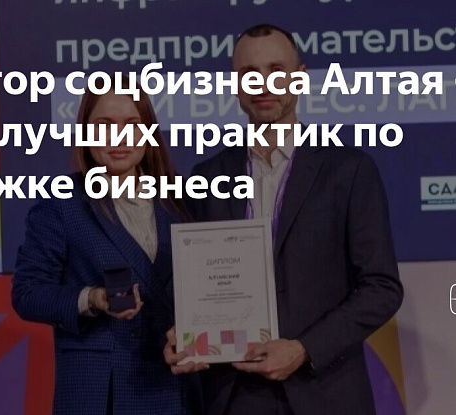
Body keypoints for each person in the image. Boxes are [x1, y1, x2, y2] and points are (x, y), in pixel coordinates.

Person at [164, 24, 404, 415]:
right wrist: (183, 330)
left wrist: (304, 348)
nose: (263, 84)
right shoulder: (206, 177)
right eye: (249, 74)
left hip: (324, 393)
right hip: (234, 396)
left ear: (300, 78)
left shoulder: (349, 171)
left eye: (276, 70)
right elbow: (188, 283)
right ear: (234, 85)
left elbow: (382, 288)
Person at [12, 77, 202, 415]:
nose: (119, 137)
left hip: (173, 386)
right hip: (100, 392)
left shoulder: (181, 200)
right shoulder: (62, 203)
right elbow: (27, 293)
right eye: (104, 125)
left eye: (132, 124)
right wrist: (93, 298)